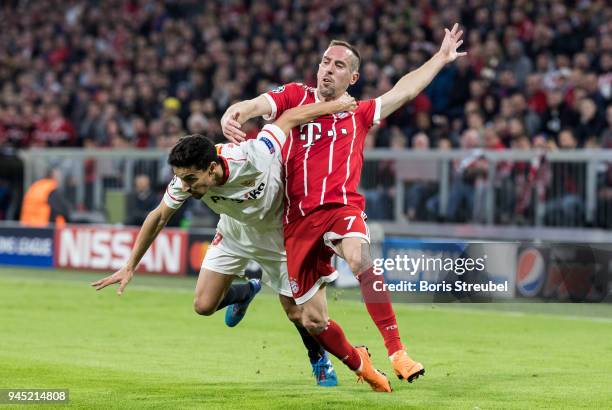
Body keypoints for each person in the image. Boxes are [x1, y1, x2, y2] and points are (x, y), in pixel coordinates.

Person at [221, 23, 466, 392]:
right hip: (297, 219)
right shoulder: (293, 97)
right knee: (309, 318)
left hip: (341, 207)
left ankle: (397, 351)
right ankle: (356, 359)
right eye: (325, 61)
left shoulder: (360, 113)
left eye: (338, 65)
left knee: (360, 259)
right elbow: (255, 105)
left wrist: (441, 57)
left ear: (352, 77)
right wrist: (233, 113)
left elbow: (406, 88)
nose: (327, 69)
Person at [92, 95, 357, 387]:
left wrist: (338, 106)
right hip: (234, 232)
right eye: (181, 178)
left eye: (191, 179)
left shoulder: (253, 155)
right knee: (203, 305)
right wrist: (130, 265)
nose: (186, 186)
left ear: (212, 167)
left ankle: (318, 358)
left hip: (277, 235)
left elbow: (289, 118)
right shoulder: (185, 180)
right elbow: (158, 217)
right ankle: (245, 292)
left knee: (296, 312)